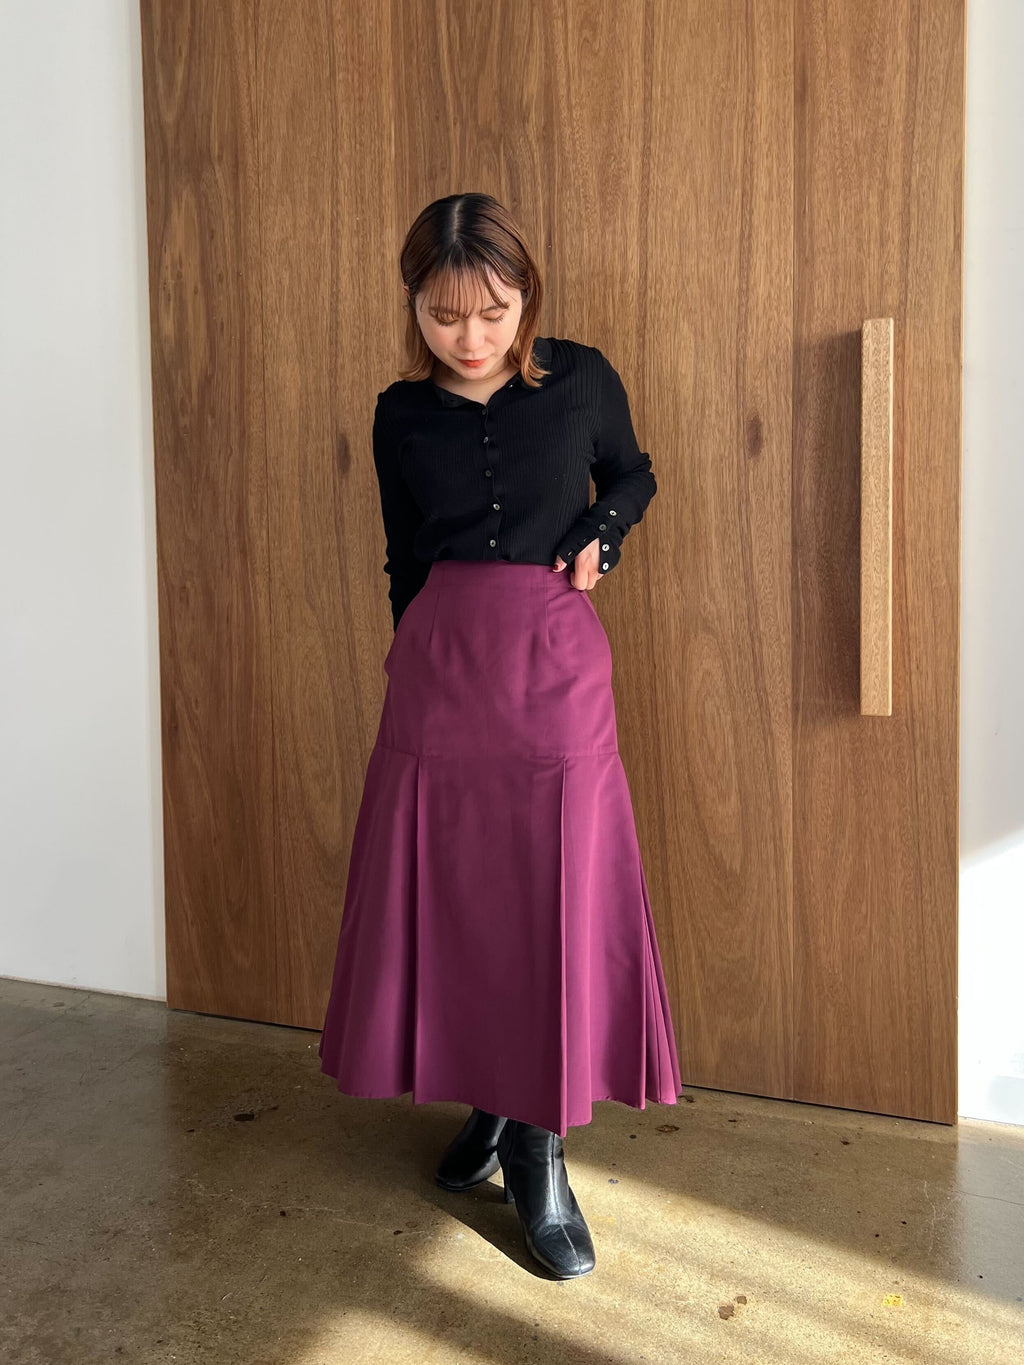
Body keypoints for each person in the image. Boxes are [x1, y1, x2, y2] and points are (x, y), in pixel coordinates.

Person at [318, 192, 683, 1279]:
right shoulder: (398, 413)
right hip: (439, 673)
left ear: (526, 298)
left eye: (492, 312)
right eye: (444, 316)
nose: (469, 337)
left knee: (549, 893)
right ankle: (489, 1098)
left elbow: (634, 474)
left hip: (555, 663)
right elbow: (402, 555)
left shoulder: (580, 378)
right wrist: (409, 654)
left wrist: (601, 533)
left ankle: (537, 1149)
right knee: (461, 896)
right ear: (413, 306)